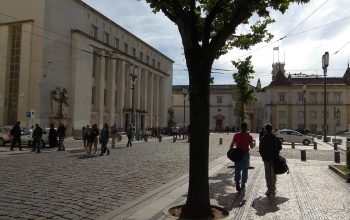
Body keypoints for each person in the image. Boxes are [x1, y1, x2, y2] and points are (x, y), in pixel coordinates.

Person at [229, 122, 254, 192]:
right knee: (245, 169)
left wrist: (231, 152)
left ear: (240, 127)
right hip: (245, 153)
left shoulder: (236, 135)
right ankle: (243, 183)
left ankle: (237, 183)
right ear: (246, 127)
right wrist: (253, 143)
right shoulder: (249, 136)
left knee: (237, 169)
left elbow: (231, 145)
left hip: (237, 153)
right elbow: (251, 147)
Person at [259, 123, 282, 197]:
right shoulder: (275, 138)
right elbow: (280, 147)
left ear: (265, 130)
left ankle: (269, 188)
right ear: (271, 129)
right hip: (274, 158)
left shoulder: (263, 138)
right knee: (273, 174)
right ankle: (273, 187)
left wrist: (263, 156)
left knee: (267, 174)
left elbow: (260, 149)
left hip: (266, 159)